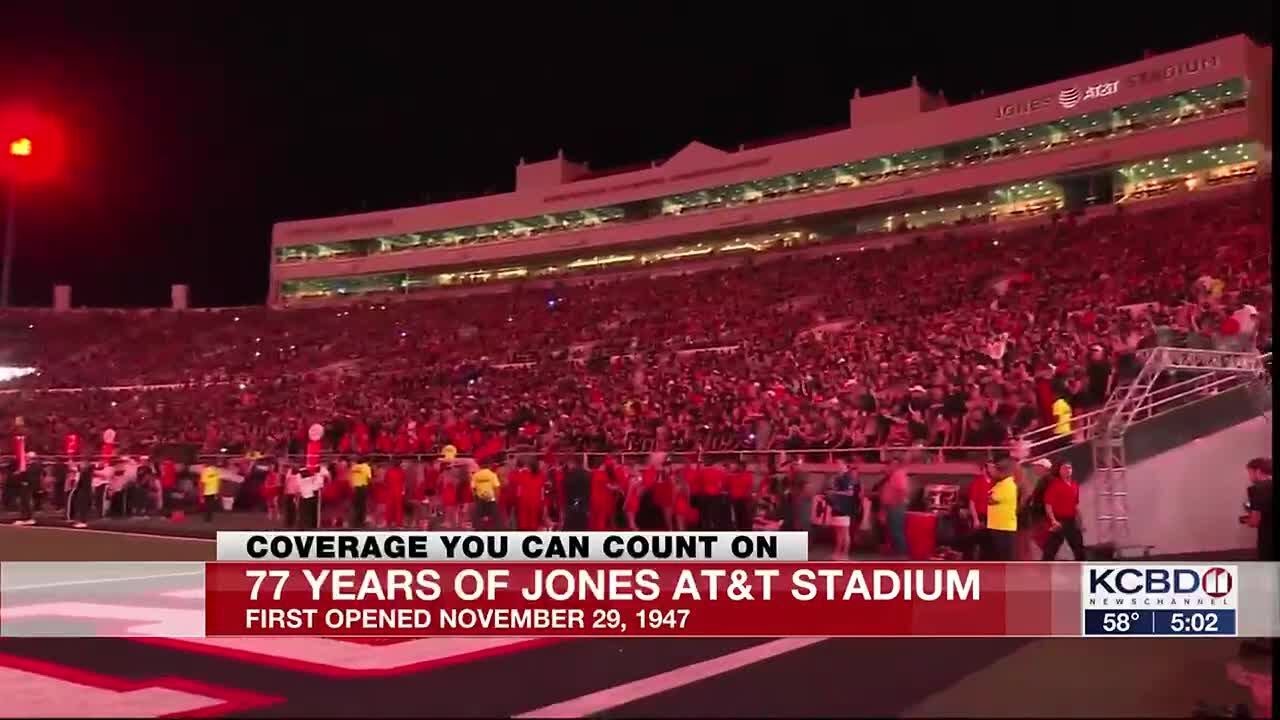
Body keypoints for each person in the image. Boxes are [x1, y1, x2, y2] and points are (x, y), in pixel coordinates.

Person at [1041, 462, 1086, 560]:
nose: (1068, 470)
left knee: (1079, 549)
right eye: (1065, 468)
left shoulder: (1074, 485)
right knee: (1050, 550)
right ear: (1060, 471)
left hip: (1072, 520)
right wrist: (1053, 520)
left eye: (1069, 468)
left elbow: (1075, 505)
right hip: (1059, 520)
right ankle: (1043, 571)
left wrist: (1080, 521)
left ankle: (1083, 570)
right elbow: (1048, 504)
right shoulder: (1055, 485)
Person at [985, 459, 1019, 561]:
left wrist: (989, 497)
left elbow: (991, 500)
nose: (991, 473)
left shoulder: (1008, 485)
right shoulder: (999, 484)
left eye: (994, 470)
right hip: (996, 525)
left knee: (1005, 558)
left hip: (1004, 527)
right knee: (997, 557)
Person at [1242, 457, 1273, 561]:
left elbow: (1255, 522)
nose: (1249, 477)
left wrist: (1247, 520)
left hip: (1268, 540)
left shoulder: (1257, 489)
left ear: (1258, 471)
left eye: (1250, 473)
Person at [826, 461, 857, 558]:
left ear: (845, 465)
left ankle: (845, 554)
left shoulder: (848, 477)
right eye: (837, 464)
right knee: (838, 532)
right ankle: (837, 552)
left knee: (845, 532)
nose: (838, 466)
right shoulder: (837, 477)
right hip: (836, 507)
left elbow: (850, 493)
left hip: (844, 508)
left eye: (840, 464)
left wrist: (835, 493)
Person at [470, 463, 501, 530]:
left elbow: (473, 488)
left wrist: (475, 496)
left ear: (480, 466)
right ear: (488, 466)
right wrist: (497, 498)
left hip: (480, 497)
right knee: (490, 515)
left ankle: (480, 528)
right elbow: (497, 487)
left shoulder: (476, 475)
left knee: (480, 515)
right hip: (491, 497)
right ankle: (488, 529)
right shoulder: (492, 474)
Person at [349, 458, 372, 528]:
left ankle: (354, 521)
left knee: (355, 505)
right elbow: (369, 478)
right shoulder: (366, 467)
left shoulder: (353, 467)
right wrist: (369, 486)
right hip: (362, 488)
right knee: (362, 505)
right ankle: (361, 521)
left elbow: (350, 477)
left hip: (354, 488)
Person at [383, 460, 407, 528]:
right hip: (398, 492)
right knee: (398, 508)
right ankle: (398, 524)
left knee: (389, 508)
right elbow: (404, 482)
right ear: (399, 464)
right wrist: (403, 491)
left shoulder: (389, 471)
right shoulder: (402, 471)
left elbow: (385, 481)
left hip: (390, 491)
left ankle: (388, 523)